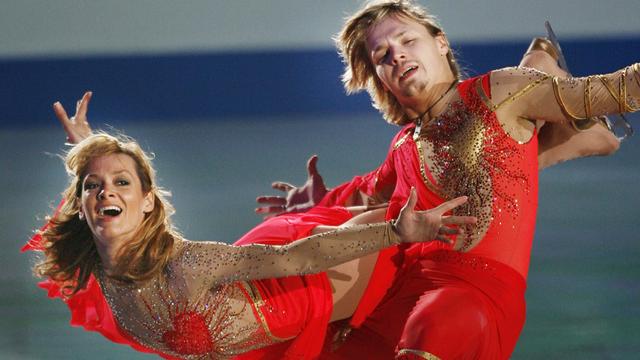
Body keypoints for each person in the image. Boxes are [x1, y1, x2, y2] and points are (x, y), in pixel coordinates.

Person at [255, 1, 638, 358]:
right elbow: (369, 189)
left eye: (406, 40)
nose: (397, 54)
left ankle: (563, 106)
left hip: (472, 293)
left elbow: (610, 90)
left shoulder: (498, 91)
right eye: (382, 56)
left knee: (433, 323)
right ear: (381, 81)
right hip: (407, 290)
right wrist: (319, 201)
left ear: (440, 43)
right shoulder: (405, 144)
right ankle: (572, 126)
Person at [25, 128, 477, 359]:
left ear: (148, 203)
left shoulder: (187, 266)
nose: (105, 192)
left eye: (120, 182)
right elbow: (106, 203)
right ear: (79, 204)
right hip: (259, 322)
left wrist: (396, 232)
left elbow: (295, 258)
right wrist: (89, 149)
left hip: (309, 280)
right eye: (92, 186)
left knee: (442, 211)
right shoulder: (100, 272)